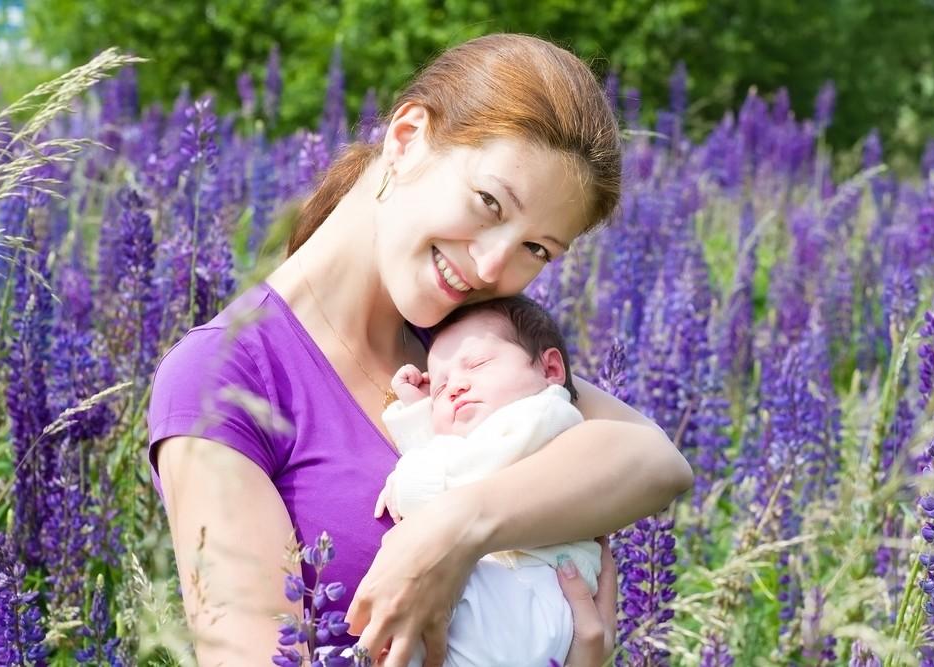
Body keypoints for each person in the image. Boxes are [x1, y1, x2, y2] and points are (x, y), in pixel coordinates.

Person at [147, 33, 693, 667]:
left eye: (537, 249)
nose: (492, 265)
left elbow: (655, 460)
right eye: (489, 203)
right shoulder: (224, 380)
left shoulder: (465, 341)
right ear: (407, 139)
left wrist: (455, 528)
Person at [372, 295, 602, 666]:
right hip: (510, 593)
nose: (456, 387)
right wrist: (418, 411)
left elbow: (469, 474)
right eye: (440, 389)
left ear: (551, 370)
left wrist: (409, 485)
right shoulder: (487, 439)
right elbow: (455, 462)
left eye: (477, 364)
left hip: (532, 590)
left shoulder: (546, 416)